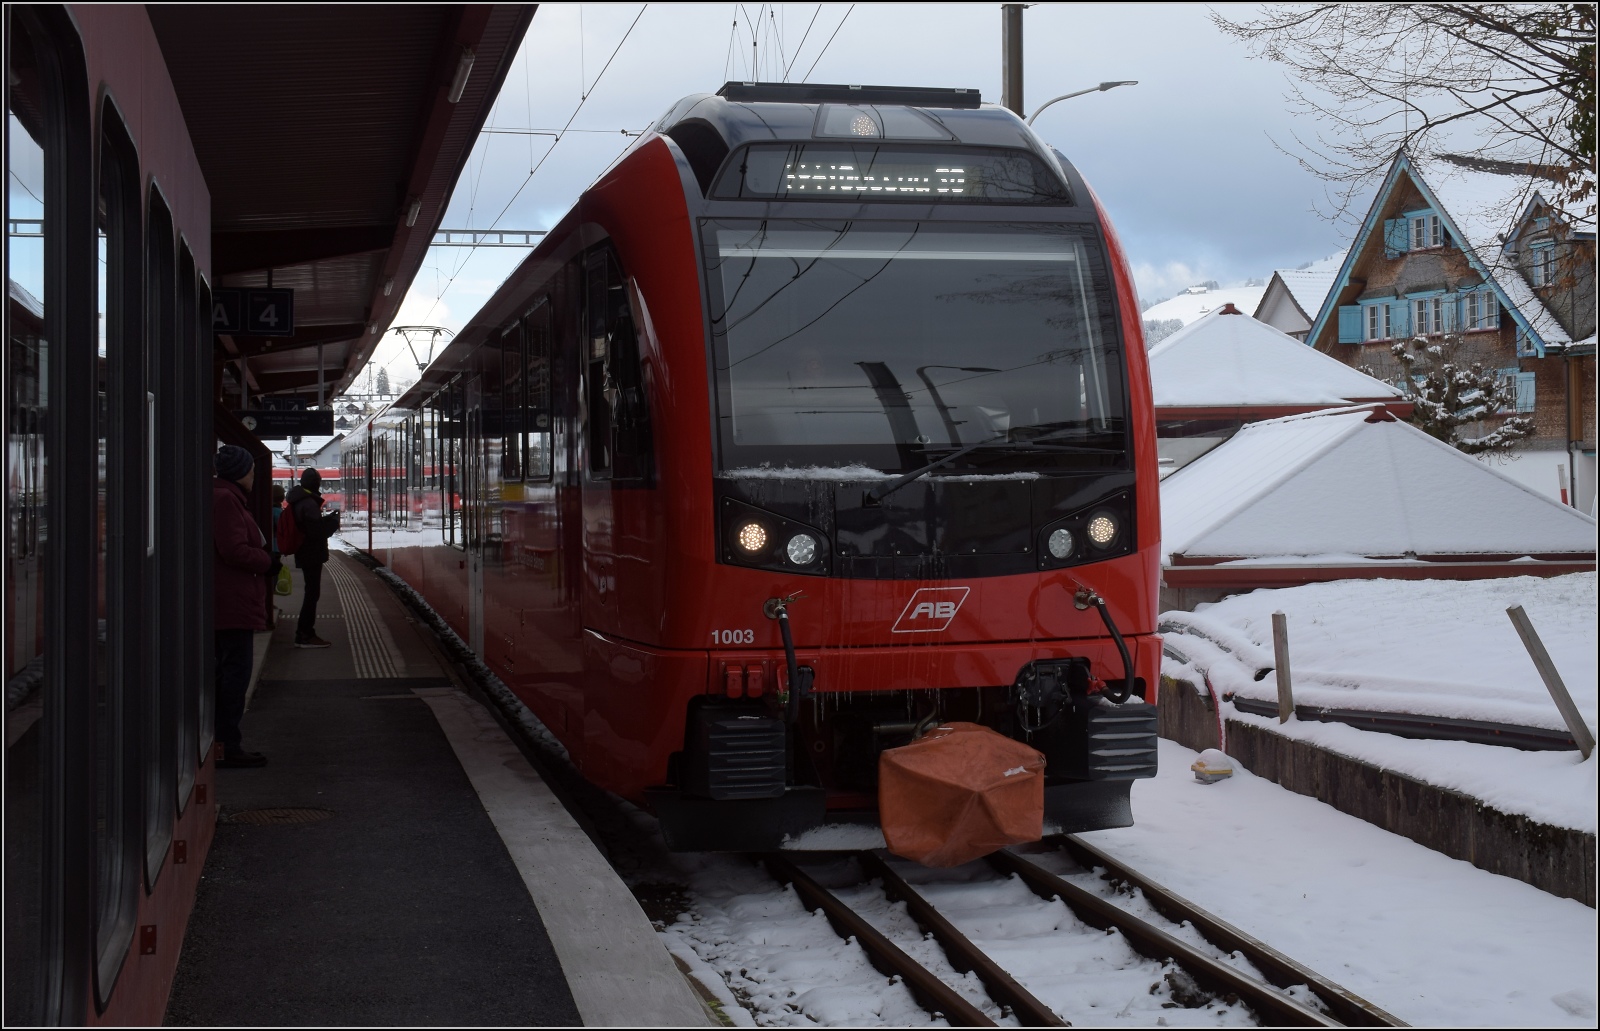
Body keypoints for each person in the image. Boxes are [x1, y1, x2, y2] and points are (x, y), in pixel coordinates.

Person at [213, 444, 277, 768]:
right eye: (251, 470)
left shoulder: (225, 497)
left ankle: (223, 745)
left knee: (227, 676)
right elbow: (234, 550)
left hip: (228, 603)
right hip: (231, 606)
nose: (254, 476)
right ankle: (227, 746)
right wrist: (267, 561)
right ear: (241, 473)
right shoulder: (226, 500)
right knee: (234, 678)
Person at [286, 467, 340, 648]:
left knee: (311, 592)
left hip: (305, 552)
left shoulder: (300, 500)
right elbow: (316, 533)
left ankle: (305, 633)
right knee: (312, 594)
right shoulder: (309, 503)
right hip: (311, 554)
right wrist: (333, 523)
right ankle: (305, 634)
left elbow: (309, 527)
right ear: (316, 483)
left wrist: (326, 520)